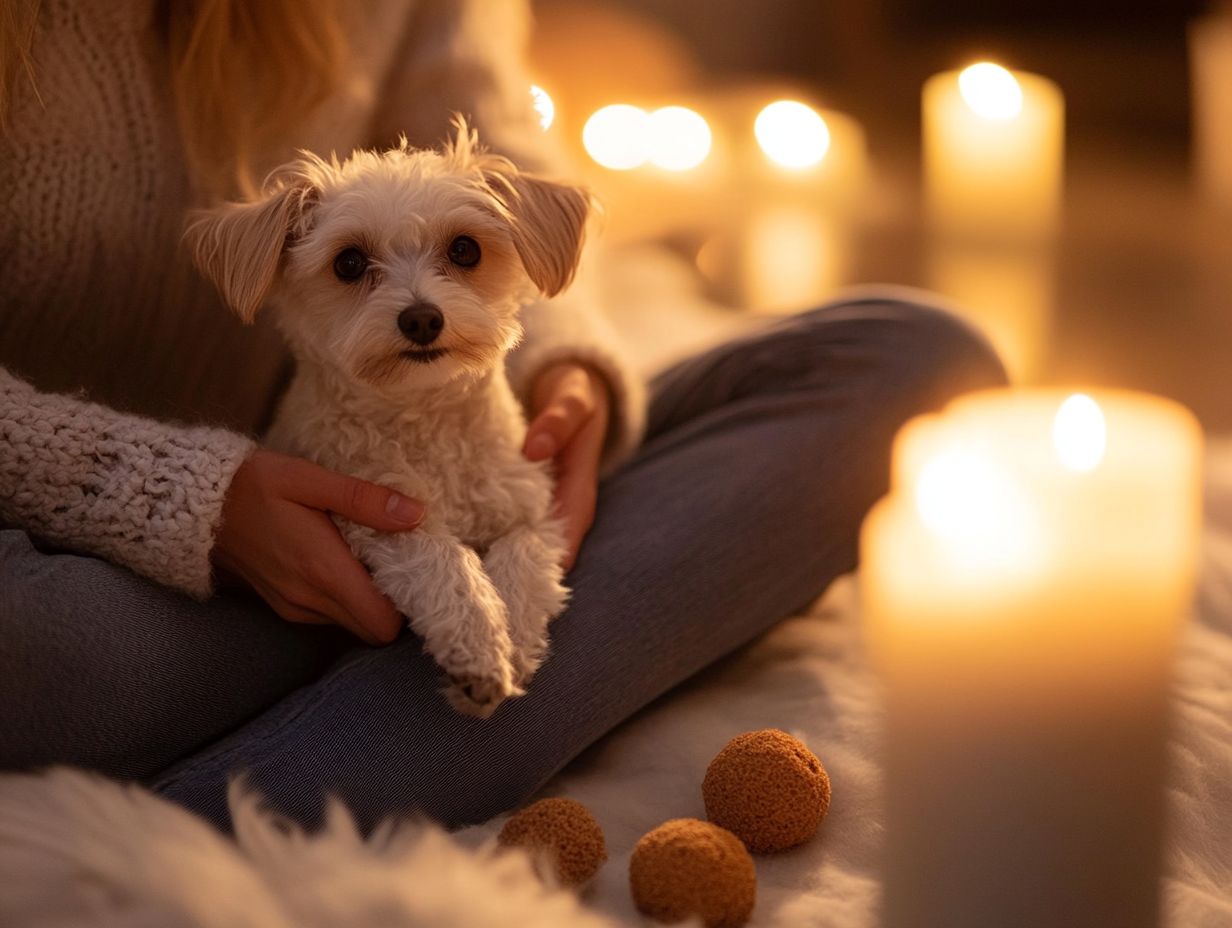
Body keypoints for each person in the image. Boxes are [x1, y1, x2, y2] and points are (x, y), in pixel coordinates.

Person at [0, 0, 1006, 831]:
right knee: (43, 649)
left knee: (919, 363)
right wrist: (194, 500)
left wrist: (570, 365)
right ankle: (381, 730)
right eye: (351, 264)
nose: (416, 291)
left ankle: (362, 691)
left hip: (440, 441)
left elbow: (491, 151)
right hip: (59, 530)